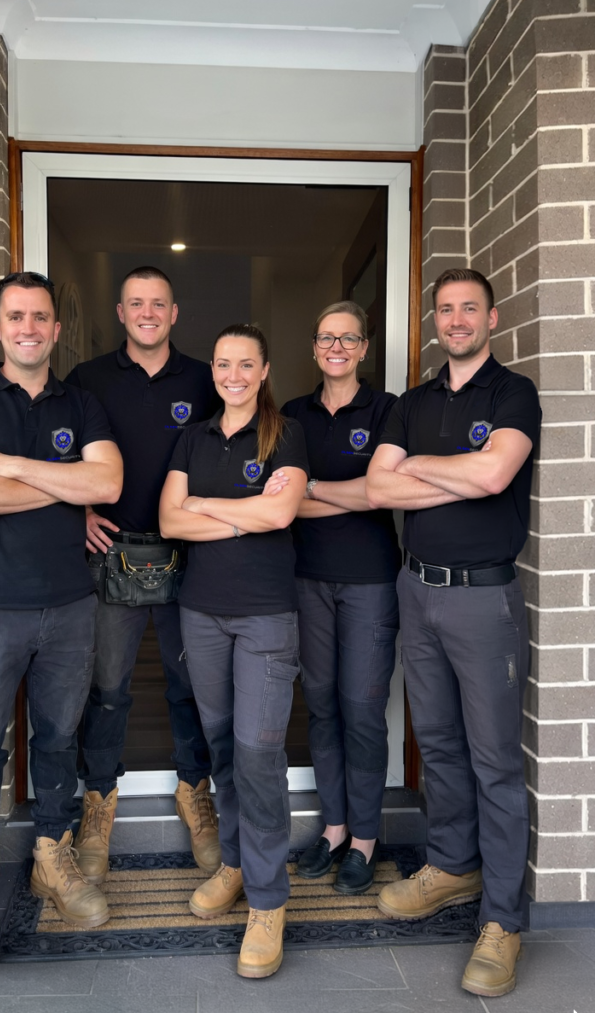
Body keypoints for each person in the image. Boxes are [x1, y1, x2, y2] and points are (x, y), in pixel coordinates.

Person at [0, 271, 124, 963]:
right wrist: (60, 487)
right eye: (16, 317)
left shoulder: (83, 402)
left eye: (41, 317)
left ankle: (52, 860)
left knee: (56, 740)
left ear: (56, 328)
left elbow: (106, 482)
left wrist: (10, 467)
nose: (29, 328)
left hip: (71, 606)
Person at [366, 269, 541, 998]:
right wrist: (458, 473)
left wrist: (427, 470)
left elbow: (498, 475)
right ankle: (452, 865)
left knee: (494, 760)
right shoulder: (411, 403)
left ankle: (502, 921)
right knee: (436, 742)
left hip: (482, 598)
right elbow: (379, 488)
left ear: (491, 318)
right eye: (447, 310)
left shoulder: (513, 394)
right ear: (434, 321)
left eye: (470, 308)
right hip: (419, 589)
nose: (458, 319)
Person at [159, 324, 309, 979]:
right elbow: (169, 521)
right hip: (202, 615)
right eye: (224, 363)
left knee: (258, 753)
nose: (234, 374)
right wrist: (243, 506)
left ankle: (269, 900)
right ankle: (236, 864)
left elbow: (280, 516)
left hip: (265, 619)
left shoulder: (287, 434)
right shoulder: (193, 435)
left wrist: (206, 505)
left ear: (264, 368)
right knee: (222, 746)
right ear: (214, 370)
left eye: (246, 363)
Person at [65, 268, 220, 882]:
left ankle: (195, 794)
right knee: (107, 689)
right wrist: (77, 511)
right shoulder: (88, 380)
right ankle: (98, 808)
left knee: (192, 688)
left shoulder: (207, 380)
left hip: (189, 556)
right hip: (113, 555)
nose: (148, 312)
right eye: (136, 303)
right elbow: (58, 458)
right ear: (121, 312)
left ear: (175, 314)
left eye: (159, 303)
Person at [280, 301, 400, 894]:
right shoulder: (292, 417)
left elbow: (383, 493)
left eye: (348, 338)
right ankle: (333, 829)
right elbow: (282, 502)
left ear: (364, 348)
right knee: (322, 706)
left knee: (361, 710)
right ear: (313, 347)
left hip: (370, 581)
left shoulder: (386, 411)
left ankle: (366, 839)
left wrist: (316, 487)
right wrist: (344, 493)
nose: (336, 347)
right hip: (306, 578)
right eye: (326, 337)